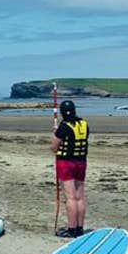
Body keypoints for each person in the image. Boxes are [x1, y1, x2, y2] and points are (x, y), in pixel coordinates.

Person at [50, 99, 89, 238]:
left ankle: (72, 229)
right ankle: (79, 228)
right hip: (81, 163)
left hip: (66, 163)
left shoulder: (64, 126)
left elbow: (54, 148)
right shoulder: (84, 124)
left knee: (71, 198)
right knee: (80, 197)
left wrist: (54, 133)